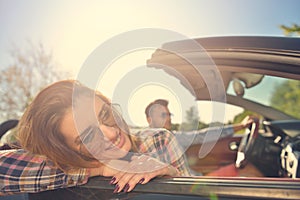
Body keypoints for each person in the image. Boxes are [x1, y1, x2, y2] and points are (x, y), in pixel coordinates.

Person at [2, 80, 190, 195]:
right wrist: (98, 168)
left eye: (106, 114)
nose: (111, 133)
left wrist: (173, 177)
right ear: (66, 151)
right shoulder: (61, 167)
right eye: (89, 136)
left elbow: (195, 193)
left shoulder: (158, 140)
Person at [145, 99, 255, 149]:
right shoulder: (161, 139)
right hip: (188, 186)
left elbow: (201, 136)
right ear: (150, 120)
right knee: (249, 172)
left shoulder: (172, 136)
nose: (168, 119)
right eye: (163, 115)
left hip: (192, 181)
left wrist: (240, 126)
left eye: (169, 115)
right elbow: (202, 136)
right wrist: (241, 126)